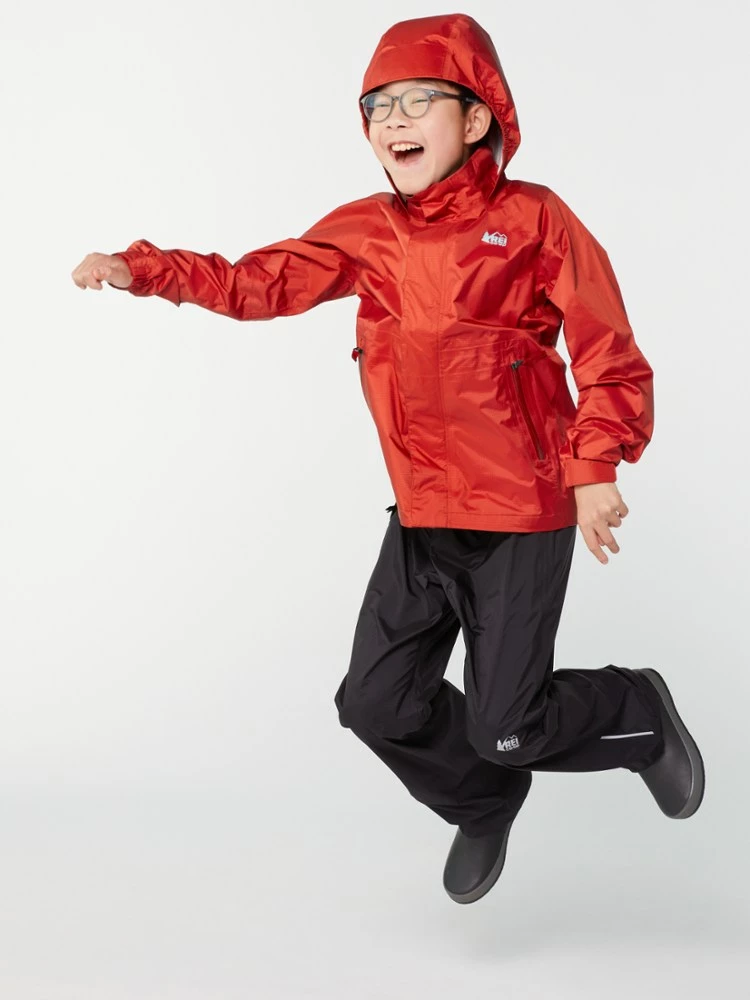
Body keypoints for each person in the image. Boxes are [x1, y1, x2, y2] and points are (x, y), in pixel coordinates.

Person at [71, 12, 705, 905]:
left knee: (510, 729)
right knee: (373, 705)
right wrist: (144, 270)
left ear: (476, 118)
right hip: (421, 516)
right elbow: (259, 281)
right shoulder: (370, 231)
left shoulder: (536, 220)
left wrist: (595, 468)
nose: (394, 120)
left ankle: (636, 711)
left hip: (519, 516)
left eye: (418, 101)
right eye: (378, 106)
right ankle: (482, 801)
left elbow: (609, 350)